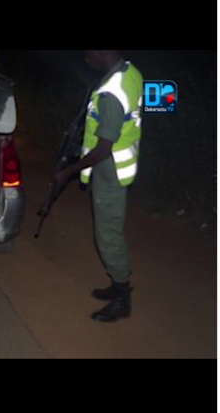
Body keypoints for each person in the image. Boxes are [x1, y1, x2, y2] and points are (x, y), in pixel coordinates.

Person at [53, 50, 143, 323]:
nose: (85, 58)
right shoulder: (130, 72)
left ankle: (122, 298)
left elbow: (103, 147)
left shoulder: (111, 93)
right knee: (108, 229)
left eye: (89, 53)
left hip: (110, 170)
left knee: (107, 235)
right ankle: (117, 286)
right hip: (119, 163)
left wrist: (69, 171)